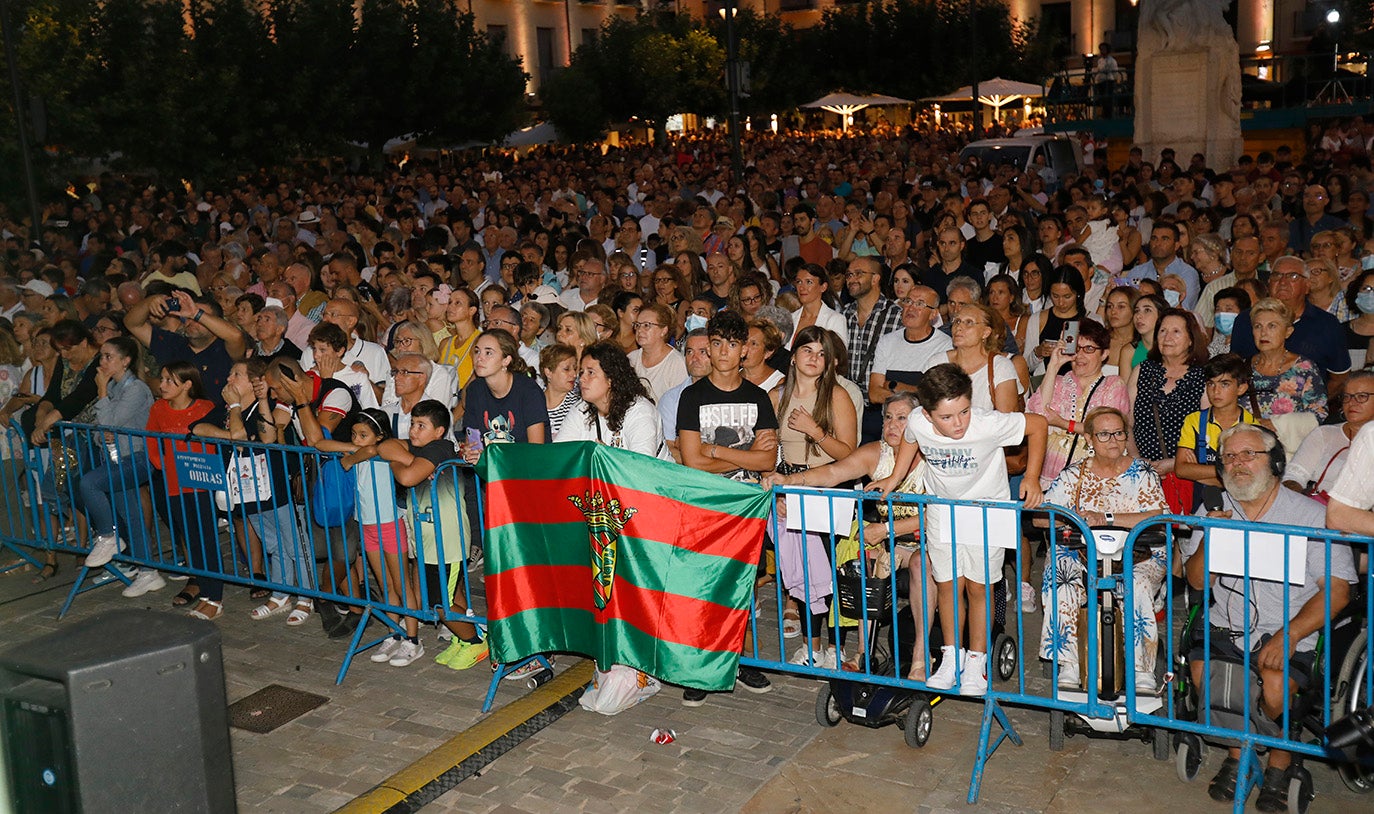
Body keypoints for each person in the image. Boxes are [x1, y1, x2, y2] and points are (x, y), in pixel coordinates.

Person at [1185, 425, 1355, 810]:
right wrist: (1213, 533)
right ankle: (1237, 755)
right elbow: (1195, 580)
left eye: (1249, 455)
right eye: (1229, 456)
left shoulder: (1313, 516)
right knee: (1207, 680)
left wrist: (1289, 635)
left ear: (1275, 463)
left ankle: (1280, 760)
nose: (1237, 464)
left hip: (1293, 626)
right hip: (1227, 622)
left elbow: (1338, 590)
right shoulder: (1215, 506)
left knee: (1275, 686)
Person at [872, 363, 1047, 696]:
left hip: (985, 512)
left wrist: (1032, 477)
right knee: (949, 586)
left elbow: (1037, 426)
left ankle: (977, 662)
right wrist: (895, 478)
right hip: (944, 511)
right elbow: (910, 439)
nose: (959, 423)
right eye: (948, 417)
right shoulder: (920, 422)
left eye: (964, 411)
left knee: (979, 588)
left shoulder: (987, 423)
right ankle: (952, 659)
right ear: (927, 413)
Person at [763, 393, 935, 676]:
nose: (892, 425)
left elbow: (935, 514)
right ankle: (862, 652)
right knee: (857, 558)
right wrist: (788, 481)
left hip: (925, 542)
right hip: (886, 543)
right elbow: (832, 473)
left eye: (902, 418)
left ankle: (920, 653)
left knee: (920, 563)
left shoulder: (931, 456)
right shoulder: (875, 453)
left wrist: (885, 529)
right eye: (888, 417)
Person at [675, 309, 778, 705]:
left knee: (743, 588)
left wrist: (717, 449)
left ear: (743, 350)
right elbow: (691, 461)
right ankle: (701, 669)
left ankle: (741, 658)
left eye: (732, 344)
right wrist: (744, 454)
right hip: (704, 505)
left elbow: (767, 461)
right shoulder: (692, 396)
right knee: (704, 588)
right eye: (715, 343)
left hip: (747, 506)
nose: (722, 351)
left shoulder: (758, 397)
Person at [1038, 407, 1168, 693]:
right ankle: (1069, 663)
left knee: (1137, 584)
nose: (1113, 440)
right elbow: (1041, 516)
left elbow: (1158, 516)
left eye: (1119, 433)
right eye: (1104, 434)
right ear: (1090, 440)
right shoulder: (1074, 475)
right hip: (1082, 551)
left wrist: (1106, 519)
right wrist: (1072, 517)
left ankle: (1141, 670)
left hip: (1138, 550)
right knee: (1063, 580)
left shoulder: (1143, 473)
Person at [771, 324, 858, 666]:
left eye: (822, 354)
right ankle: (813, 647)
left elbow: (849, 454)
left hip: (829, 490)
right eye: (808, 350)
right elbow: (767, 451)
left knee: (829, 572)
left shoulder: (837, 396)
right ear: (793, 357)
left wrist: (815, 431)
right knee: (801, 572)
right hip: (789, 488)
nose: (815, 358)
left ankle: (835, 647)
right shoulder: (776, 396)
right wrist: (775, 490)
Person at [318, 409, 424, 668]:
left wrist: (357, 455)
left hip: (390, 524)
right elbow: (319, 443)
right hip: (366, 525)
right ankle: (394, 632)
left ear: (380, 435)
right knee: (386, 585)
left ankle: (413, 640)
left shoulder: (385, 451)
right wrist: (353, 448)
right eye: (354, 433)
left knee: (402, 585)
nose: (356, 439)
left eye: (363, 434)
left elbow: (374, 450)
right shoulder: (357, 450)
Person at [145, 362, 222, 618]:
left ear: (187, 385)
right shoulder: (158, 408)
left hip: (201, 481)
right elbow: (151, 438)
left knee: (206, 538)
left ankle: (215, 597)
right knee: (190, 537)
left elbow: (214, 442)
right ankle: (206, 592)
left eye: (169, 381)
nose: (162, 385)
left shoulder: (205, 407)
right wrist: (160, 464)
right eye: (163, 379)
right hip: (174, 483)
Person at [77, 337, 156, 585]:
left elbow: (109, 422)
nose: (102, 362)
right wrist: (106, 428)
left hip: (137, 458)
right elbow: (100, 428)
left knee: (89, 484)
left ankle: (108, 535)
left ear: (126, 361)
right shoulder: (114, 388)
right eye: (101, 356)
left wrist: (101, 393)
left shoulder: (136, 389)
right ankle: (148, 572)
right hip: (116, 457)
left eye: (109, 356)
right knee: (131, 515)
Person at [1027, 318, 1129, 489]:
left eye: (1089, 349)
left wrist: (1063, 423)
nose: (1080, 356)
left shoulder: (1113, 384)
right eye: (1076, 348)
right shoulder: (1058, 381)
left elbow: (1107, 431)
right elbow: (1038, 417)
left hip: (1096, 480)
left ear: (1104, 353)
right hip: (1051, 477)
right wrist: (1053, 365)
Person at [1128, 308, 1208, 513]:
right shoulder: (1142, 370)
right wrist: (1137, 459)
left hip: (1184, 474)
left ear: (1191, 339)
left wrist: (1174, 464)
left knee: (1181, 534)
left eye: (1176, 332)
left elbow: (1208, 434)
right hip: (1141, 472)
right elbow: (1127, 422)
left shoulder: (1204, 377)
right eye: (1162, 331)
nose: (1167, 337)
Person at [1173, 353, 1264, 512]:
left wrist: (1199, 471)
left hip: (1240, 505)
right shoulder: (1194, 421)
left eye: (1224, 384)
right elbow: (1181, 469)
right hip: (1201, 502)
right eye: (1210, 384)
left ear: (1241, 387)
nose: (1215, 391)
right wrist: (1230, 473)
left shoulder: (1252, 427)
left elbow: (1251, 477)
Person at [555, 342, 663, 455]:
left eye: (590, 373)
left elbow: (642, 466)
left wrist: (609, 458)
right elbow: (559, 454)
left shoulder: (640, 412)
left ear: (611, 378)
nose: (582, 379)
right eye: (581, 372)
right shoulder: (581, 408)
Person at [1284, 369, 1374, 500]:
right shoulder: (1324, 434)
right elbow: (1293, 477)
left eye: (1361, 396)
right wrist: (1302, 503)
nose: (1351, 402)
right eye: (1346, 396)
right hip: (1317, 510)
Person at [460, 330, 548, 458]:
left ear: (506, 360)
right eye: (477, 351)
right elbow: (473, 441)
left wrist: (492, 460)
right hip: (491, 472)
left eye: (488, 353)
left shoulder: (528, 391)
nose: (479, 358)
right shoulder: (475, 390)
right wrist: (470, 452)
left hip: (528, 470)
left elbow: (536, 450)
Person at [868, 284, 951, 406]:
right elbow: (874, 393)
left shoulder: (945, 345)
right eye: (908, 301)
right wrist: (914, 394)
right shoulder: (887, 341)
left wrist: (895, 385)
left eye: (919, 304)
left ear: (933, 314)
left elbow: (936, 397)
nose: (911, 308)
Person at [1248, 297, 1327, 421]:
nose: (1263, 333)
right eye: (1258, 326)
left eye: (1272, 326)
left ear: (1288, 332)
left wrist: (1278, 425)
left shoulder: (1304, 368)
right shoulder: (1242, 367)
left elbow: (1319, 414)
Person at [628, 303, 686, 403]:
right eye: (637, 325)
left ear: (664, 330)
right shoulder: (631, 359)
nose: (640, 330)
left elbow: (679, 403)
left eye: (647, 325)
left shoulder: (676, 363)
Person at [788, 263, 847, 349]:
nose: (802, 287)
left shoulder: (835, 320)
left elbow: (838, 356)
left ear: (823, 287)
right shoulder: (791, 318)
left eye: (809, 282)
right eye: (799, 282)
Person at [540, 343, 581, 437]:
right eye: (567, 369)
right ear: (548, 372)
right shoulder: (533, 401)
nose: (574, 374)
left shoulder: (577, 404)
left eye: (575, 369)